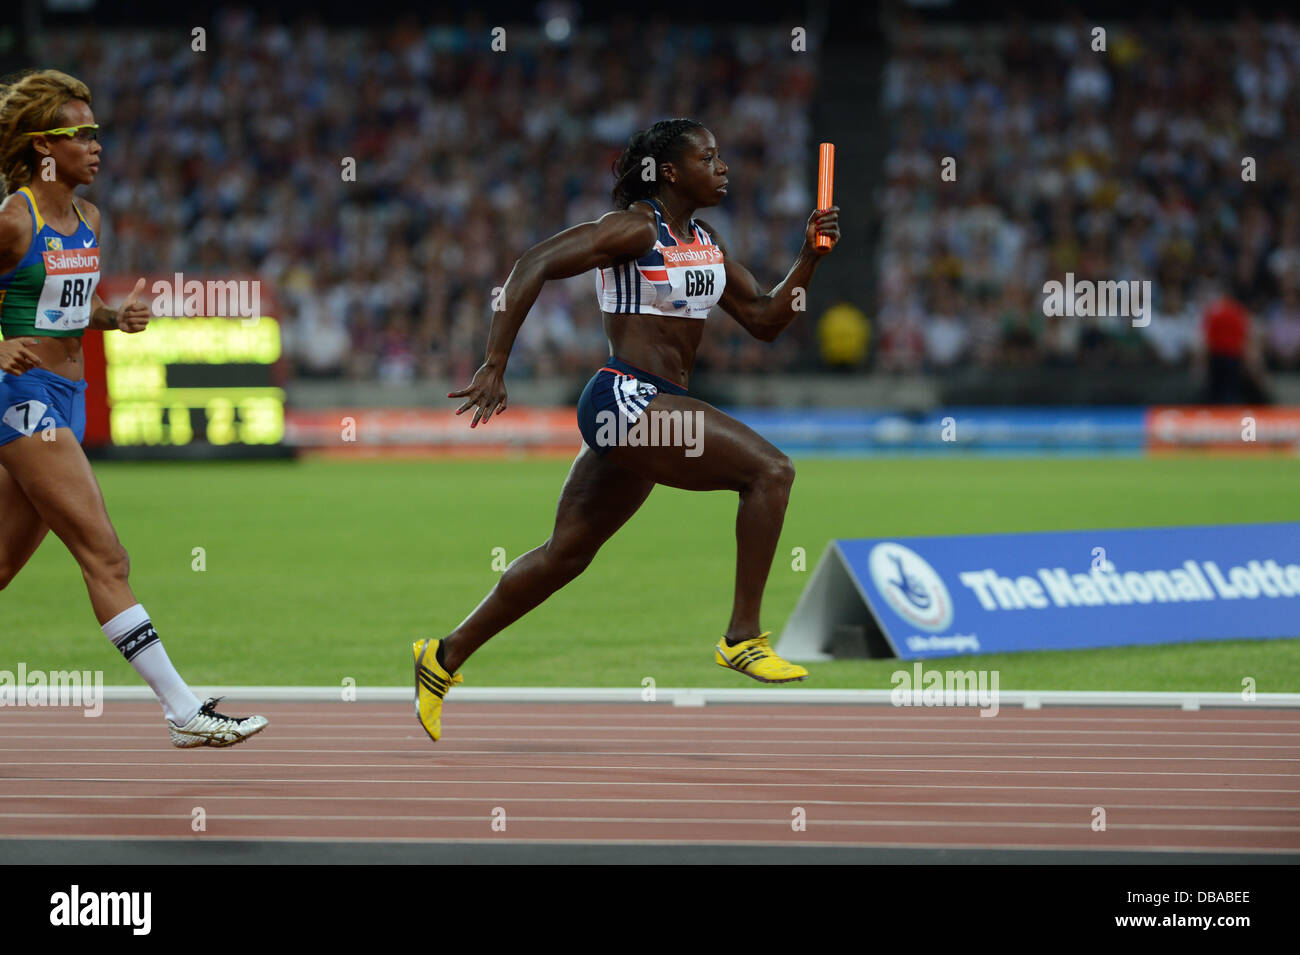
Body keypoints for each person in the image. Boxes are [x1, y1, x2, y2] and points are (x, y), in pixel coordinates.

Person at [413, 118, 840, 742]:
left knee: (566, 555)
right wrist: (496, 361)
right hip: (627, 399)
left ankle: (441, 658)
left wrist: (808, 259)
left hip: (655, 407)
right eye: (709, 158)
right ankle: (743, 637)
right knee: (770, 471)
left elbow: (766, 319)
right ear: (671, 172)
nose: (723, 168)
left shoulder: (704, 240)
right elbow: (533, 262)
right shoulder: (637, 228)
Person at [0, 69, 266, 747]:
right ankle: (182, 709)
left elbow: (68, 310)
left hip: (70, 395)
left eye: (96, 131)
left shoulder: (89, 221)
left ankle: (182, 709)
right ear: (42, 148)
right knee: (107, 556)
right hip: (21, 399)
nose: (96, 145)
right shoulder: (12, 219)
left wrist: (115, 318)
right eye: (79, 134)